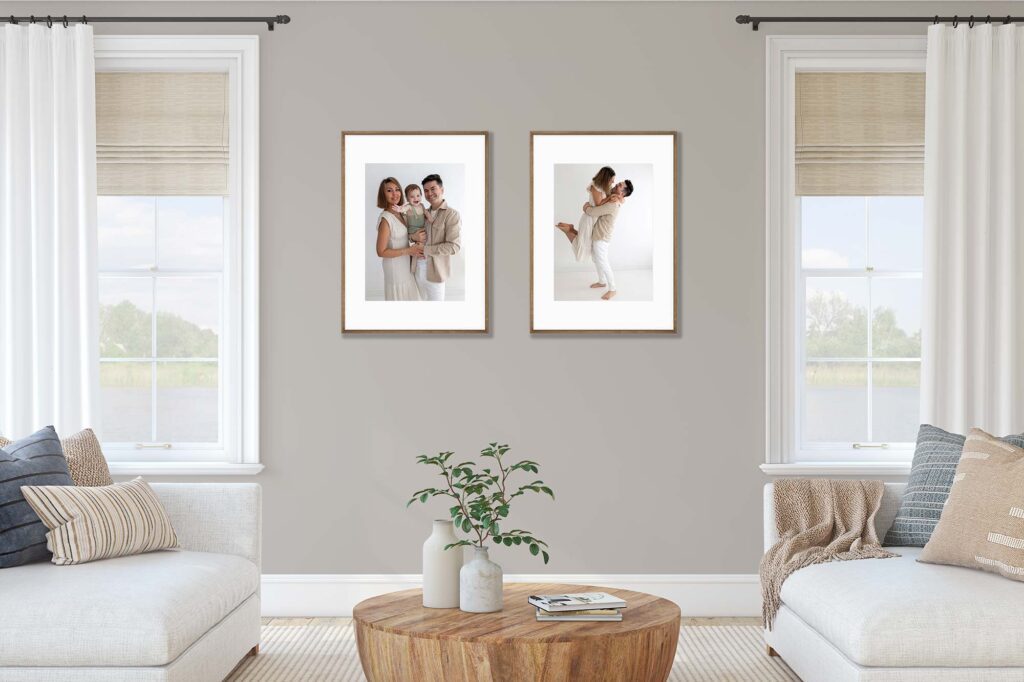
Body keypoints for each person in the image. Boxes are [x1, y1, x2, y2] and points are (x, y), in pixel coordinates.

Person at [556, 180, 633, 300]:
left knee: (603, 262)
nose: (615, 185)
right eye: (617, 183)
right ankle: (602, 281)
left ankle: (613, 289)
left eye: (619, 186)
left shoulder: (613, 204)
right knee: (596, 259)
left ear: (622, 193)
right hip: (597, 235)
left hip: (601, 238)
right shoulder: (613, 198)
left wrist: (586, 206)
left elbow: (593, 212)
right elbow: (603, 199)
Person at [409, 173, 461, 302]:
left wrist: (425, 249)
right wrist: (412, 237)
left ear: (442, 190)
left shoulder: (452, 215)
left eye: (433, 189)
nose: (429, 193)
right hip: (415, 269)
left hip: (435, 273)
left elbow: (454, 246)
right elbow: (411, 235)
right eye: (426, 191)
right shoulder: (421, 212)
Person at [374, 177, 422, 301]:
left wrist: (414, 237)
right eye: (389, 190)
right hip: (395, 269)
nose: (395, 194)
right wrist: (408, 251)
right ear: (383, 194)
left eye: (397, 189)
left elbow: (404, 236)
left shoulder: (401, 213)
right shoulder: (386, 219)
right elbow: (381, 251)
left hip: (407, 265)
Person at [555, 166, 616, 264]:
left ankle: (570, 229)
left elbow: (612, 197)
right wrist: (609, 198)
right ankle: (568, 230)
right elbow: (598, 204)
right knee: (582, 247)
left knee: (584, 243)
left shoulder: (604, 187)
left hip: (594, 219)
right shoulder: (595, 186)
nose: (613, 182)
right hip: (589, 219)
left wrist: (614, 197)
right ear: (606, 178)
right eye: (612, 180)